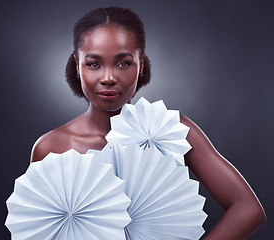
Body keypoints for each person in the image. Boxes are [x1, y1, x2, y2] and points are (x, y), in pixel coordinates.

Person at [31, 7, 266, 239]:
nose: (108, 78)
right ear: (77, 65)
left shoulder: (172, 129)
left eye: (123, 63)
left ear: (140, 64)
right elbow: (40, 229)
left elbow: (248, 209)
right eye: (94, 64)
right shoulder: (50, 148)